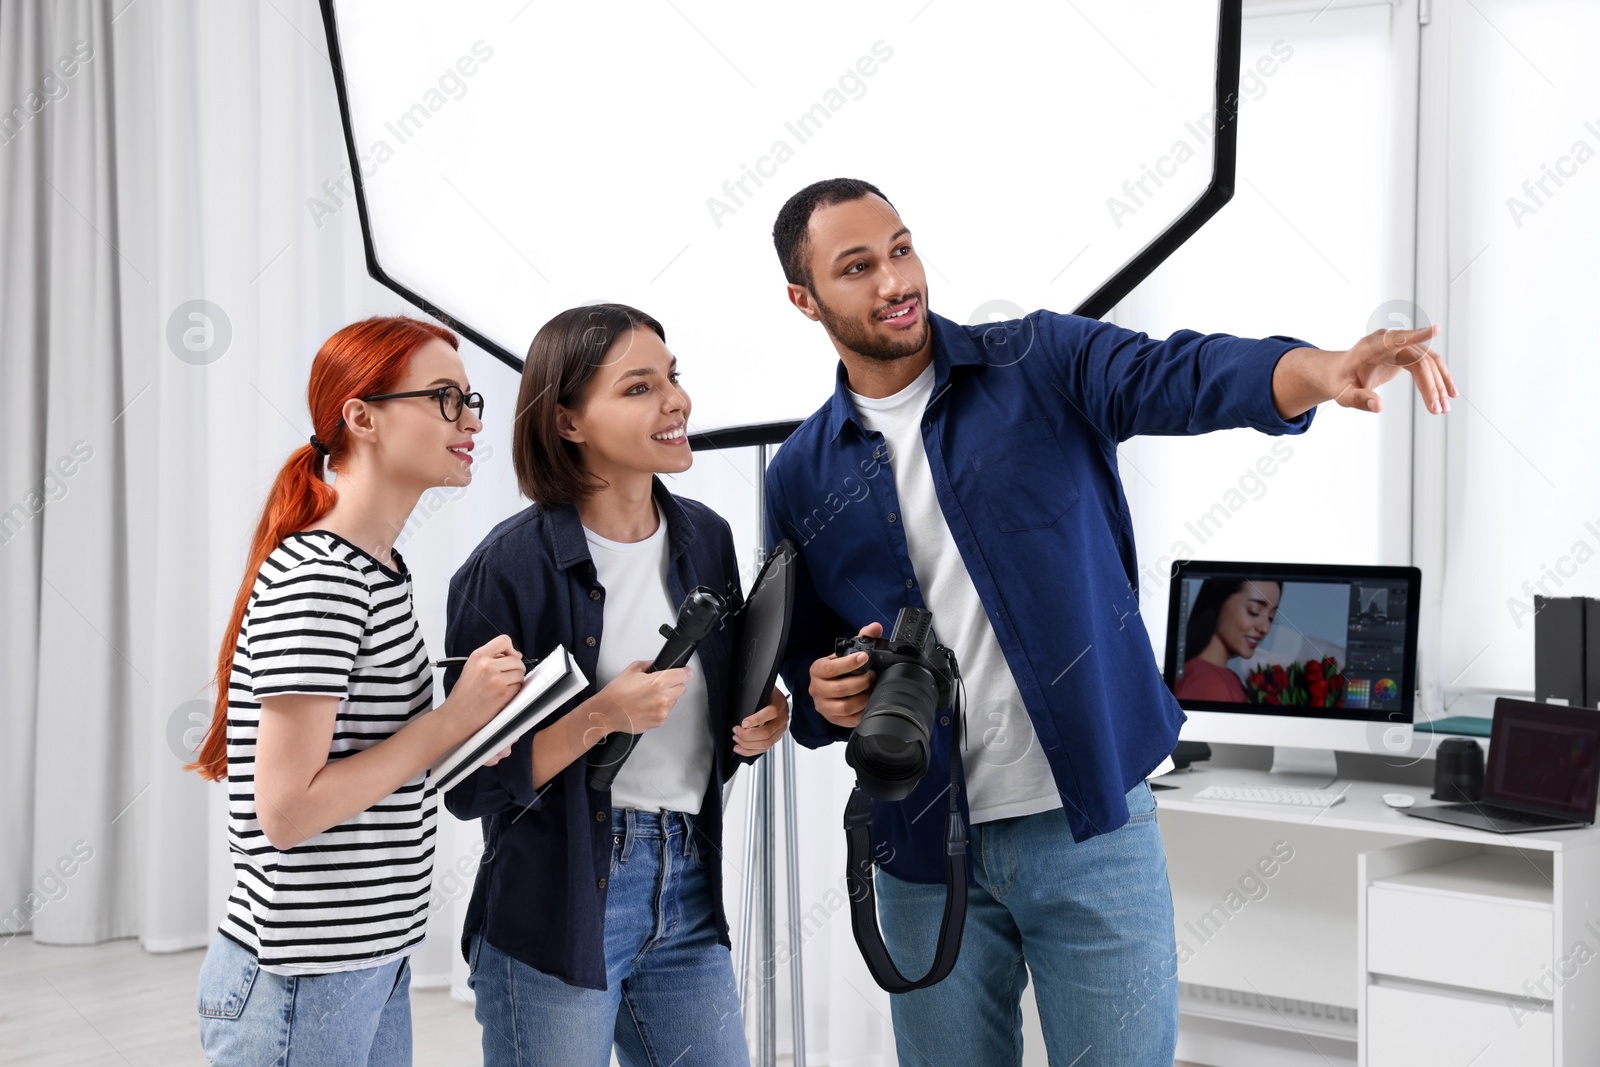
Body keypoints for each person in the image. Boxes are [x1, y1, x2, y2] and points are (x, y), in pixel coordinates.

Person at [763, 178, 1454, 1066]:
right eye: (857, 267)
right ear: (804, 298)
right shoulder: (799, 472)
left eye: (901, 248)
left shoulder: (1037, 363)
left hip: (1088, 824)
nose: (895, 281)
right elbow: (808, 676)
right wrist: (824, 691)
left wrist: (1317, 369)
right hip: (920, 849)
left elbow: (1183, 373)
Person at [442, 303, 790, 1067]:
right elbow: (467, 785)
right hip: (559, 905)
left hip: (689, 883)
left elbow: (714, 717)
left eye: (673, 377)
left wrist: (764, 715)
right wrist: (600, 715)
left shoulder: (708, 538)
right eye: (638, 387)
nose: (675, 400)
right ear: (568, 421)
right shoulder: (505, 571)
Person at [187, 316, 527, 1066]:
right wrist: (452, 720)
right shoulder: (320, 576)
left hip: (364, 956)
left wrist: (467, 734)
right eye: (444, 398)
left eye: (471, 400)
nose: (469, 419)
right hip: (300, 974)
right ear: (361, 416)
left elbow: (370, 771)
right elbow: (288, 810)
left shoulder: (378, 570)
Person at [1174, 578, 1283, 702]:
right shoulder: (1209, 684)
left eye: (1270, 617)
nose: (1265, 628)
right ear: (1218, 599)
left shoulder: (1223, 678)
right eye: (1254, 611)